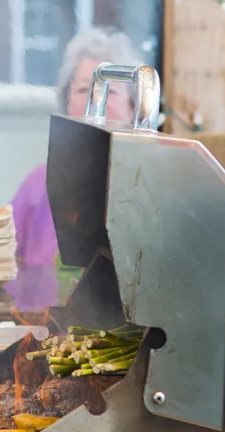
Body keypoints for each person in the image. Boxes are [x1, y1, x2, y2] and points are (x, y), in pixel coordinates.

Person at [9, 28, 141, 304]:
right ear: (67, 102)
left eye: (111, 90)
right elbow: (3, 257)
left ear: (133, 107)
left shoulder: (145, 184)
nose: (97, 101)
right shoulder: (39, 183)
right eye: (84, 89)